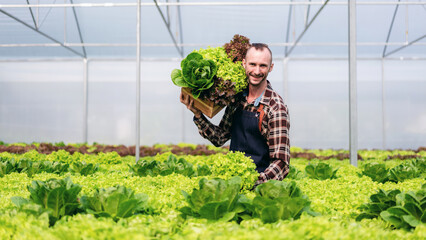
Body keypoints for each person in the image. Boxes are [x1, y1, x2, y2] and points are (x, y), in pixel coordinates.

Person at [180, 43, 290, 187]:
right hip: (233, 185)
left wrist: (253, 182)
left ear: (271, 67)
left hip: (261, 188)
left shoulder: (275, 108)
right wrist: (198, 115)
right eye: (252, 64)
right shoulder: (237, 99)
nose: (257, 71)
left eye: (263, 66)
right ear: (244, 64)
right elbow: (220, 138)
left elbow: (281, 163)